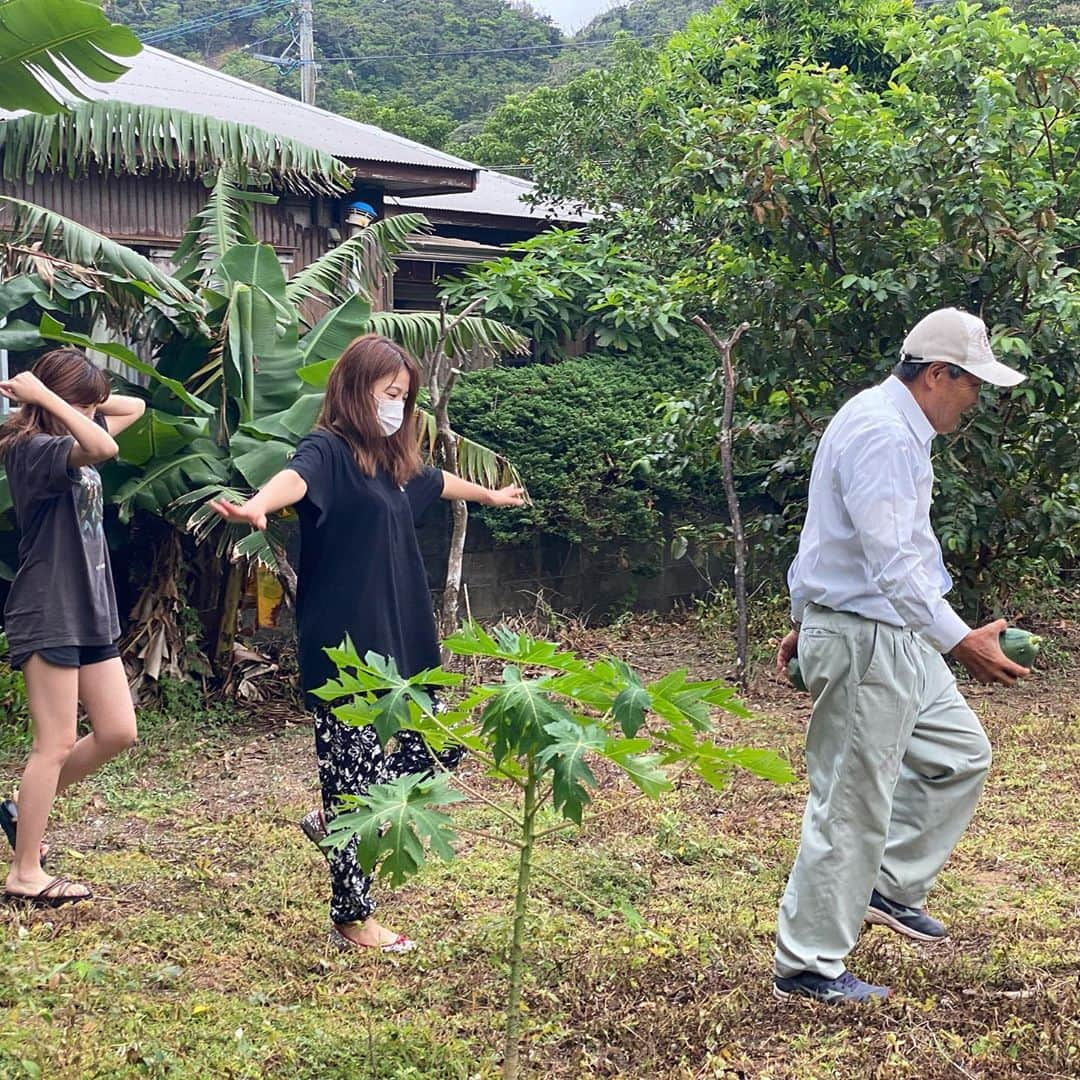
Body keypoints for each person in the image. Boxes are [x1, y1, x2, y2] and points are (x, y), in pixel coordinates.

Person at [210, 334, 524, 953]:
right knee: (355, 786)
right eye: (390, 393)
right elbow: (294, 480)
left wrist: (488, 494)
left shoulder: (394, 463)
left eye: (405, 397)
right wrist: (256, 506)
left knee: (439, 752)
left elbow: (437, 483)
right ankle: (353, 916)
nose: (398, 406)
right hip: (346, 653)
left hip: (404, 644)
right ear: (358, 389)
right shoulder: (328, 450)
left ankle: (335, 822)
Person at [772, 308, 1030, 1004]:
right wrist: (959, 638)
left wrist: (804, 617)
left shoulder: (891, 426)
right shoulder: (884, 432)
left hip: (884, 632)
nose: (975, 399)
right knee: (850, 803)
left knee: (960, 753)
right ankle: (807, 967)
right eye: (972, 383)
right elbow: (888, 561)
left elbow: (830, 534)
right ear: (938, 375)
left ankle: (884, 886)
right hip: (866, 636)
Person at [0, 348, 144, 907]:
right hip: (48, 604)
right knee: (55, 742)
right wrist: (43, 400)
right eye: (80, 400)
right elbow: (106, 445)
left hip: (88, 607)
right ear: (51, 402)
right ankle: (24, 872)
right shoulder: (34, 451)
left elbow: (130, 407)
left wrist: (69, 398)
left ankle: (24, 808)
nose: (91, 410)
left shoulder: (69, 434)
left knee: (117, 731)